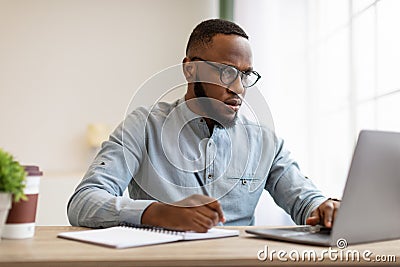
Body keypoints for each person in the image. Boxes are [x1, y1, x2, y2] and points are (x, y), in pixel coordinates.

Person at [67, 19, 340, 232]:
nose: (238, 88)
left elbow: (306, 200)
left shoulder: (265, 142)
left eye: (245, 75)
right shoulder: (143, 126)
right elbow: (83, 202)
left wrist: (325, 208)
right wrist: (158, 212)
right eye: (227, 72)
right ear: (190, 69)